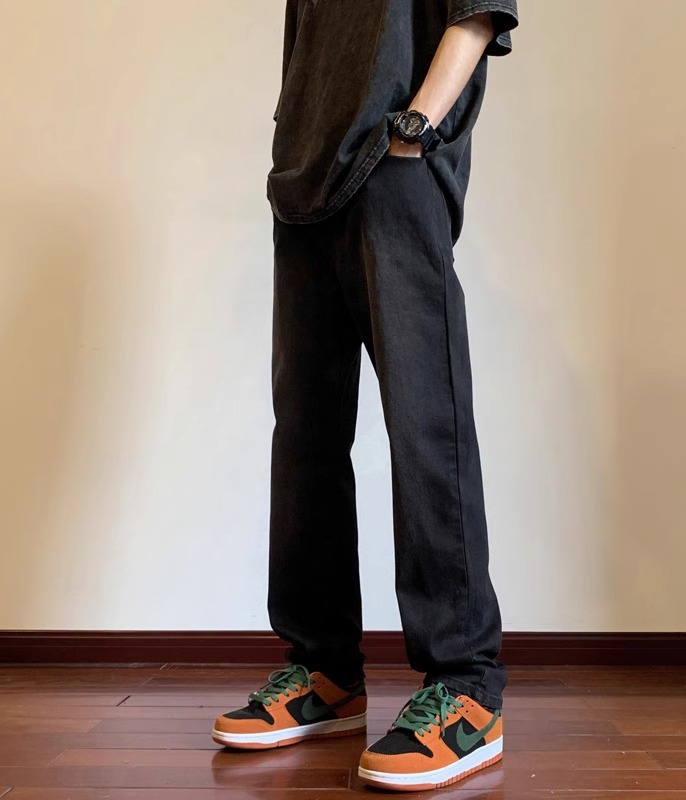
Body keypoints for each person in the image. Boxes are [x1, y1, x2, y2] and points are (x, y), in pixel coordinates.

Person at [212, 0, 519, 790]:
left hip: (394, 169)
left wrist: (414, 130)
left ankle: (466, 686)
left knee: (426, 426)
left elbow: (478, 14)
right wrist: (293, 145)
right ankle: (325, 671)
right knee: (305, 436)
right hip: (304, 184)